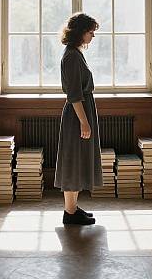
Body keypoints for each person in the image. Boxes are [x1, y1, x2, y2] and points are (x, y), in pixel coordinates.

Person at [54, 12, 103, 225]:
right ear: (80, 32)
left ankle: (72, 209)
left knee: (78, 160)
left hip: (81, 111)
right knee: (73, 161)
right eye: (90, 32)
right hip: (78, 114)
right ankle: (70, 212)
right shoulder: (72, 56)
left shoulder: (75, 53)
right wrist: (84, 122)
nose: (92, 36)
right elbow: (74, 94)